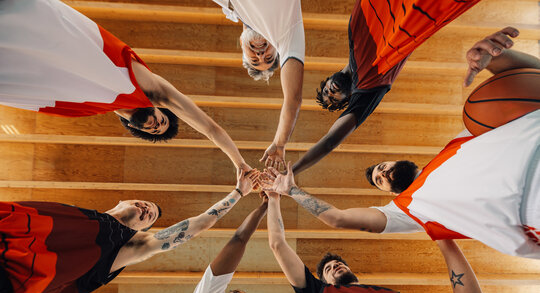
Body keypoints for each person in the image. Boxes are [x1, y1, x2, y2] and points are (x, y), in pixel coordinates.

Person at [263, 27, 540, 259]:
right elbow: (338, 218)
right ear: (389, 193)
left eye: (381, 168)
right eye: (380, 180)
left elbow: (528, 90)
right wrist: (292, 189)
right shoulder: (410, 209)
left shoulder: (461, 141)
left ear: (398, 160)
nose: (382, 173)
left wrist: (496, 60)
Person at [0, 0, 250, 173]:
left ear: (132, 127)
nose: (156, 125)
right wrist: (239, 163)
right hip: (64, 41)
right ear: (159, 108)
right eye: (162, 121)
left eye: (153, 131)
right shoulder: (153, 91)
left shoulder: (88, 107)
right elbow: (210, 128)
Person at [0, 169, 259, 293]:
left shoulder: (125, 247)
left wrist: (238, 192)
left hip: (12, 277)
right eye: (148, 206)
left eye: (150, 218)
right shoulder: (78, 217)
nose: (148, 211)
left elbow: (198, 224)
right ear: (121, 201)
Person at [266, 191, 488, 293]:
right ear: (324, 282)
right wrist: (274, 198)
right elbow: (277, 244)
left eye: (338, 263)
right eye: (328, 269)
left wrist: (440, 234)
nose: (335, 266)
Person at [292, 0, 481, 174]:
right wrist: (292, 172)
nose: (330, 92)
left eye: (326, 91)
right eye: (334, 98)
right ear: (349, 99)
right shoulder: (368, 86)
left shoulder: (353, 35)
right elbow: (330, 141)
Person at [212, 0, 305, 170]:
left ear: (242, 44)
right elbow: (293, 99)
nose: (261, 55)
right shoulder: (287, 35)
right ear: (279, 51)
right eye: (269, 58)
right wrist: (279, 143)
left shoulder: (230, 5)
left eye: (254, 59)